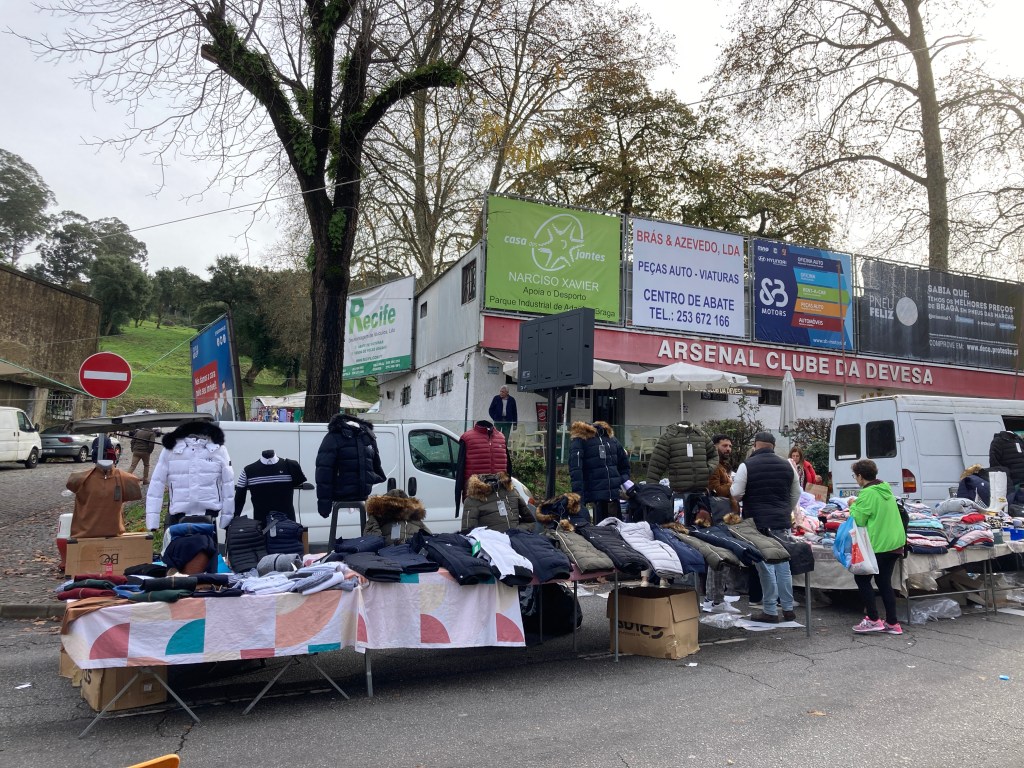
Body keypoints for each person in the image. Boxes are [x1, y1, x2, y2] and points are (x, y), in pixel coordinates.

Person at [730, 431, 799, 624]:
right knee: (783, 565)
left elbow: (736, 493)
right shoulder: (788, 465)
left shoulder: (747, 465)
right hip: (781, 521)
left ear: (755, 445)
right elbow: (796, 492)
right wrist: (786, 509)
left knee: (765, 566)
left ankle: (770, 610)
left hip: (757, 522)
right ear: (773, 446)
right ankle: (788, 608)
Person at [849, 459, 906, 635]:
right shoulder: (885, 489)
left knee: (862, 579)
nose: (855, 479)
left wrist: (852, 505)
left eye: (855, 476)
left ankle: (873, 619)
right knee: (884, 582)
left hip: (879, 544)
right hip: (895, 543)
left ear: (860, 476)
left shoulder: (868, 493)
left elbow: (859, 519)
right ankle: (892, 623)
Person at [568, 420, 631, 523]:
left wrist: (621, 481)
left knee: (615, 527)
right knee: (603, 528)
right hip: (595, 497)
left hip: (613, 496)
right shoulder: (580, 441)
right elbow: (576, 471)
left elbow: (624, 465)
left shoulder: (611, 439)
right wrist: (579, 498)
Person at [708, 434, 735, 498]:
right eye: (725, 446)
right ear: (715, 447)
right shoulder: (713, 466)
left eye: (730, 446)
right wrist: (734, 484)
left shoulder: (723, 465)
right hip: (719, 504)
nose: (728, 449)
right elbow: (716, 492)